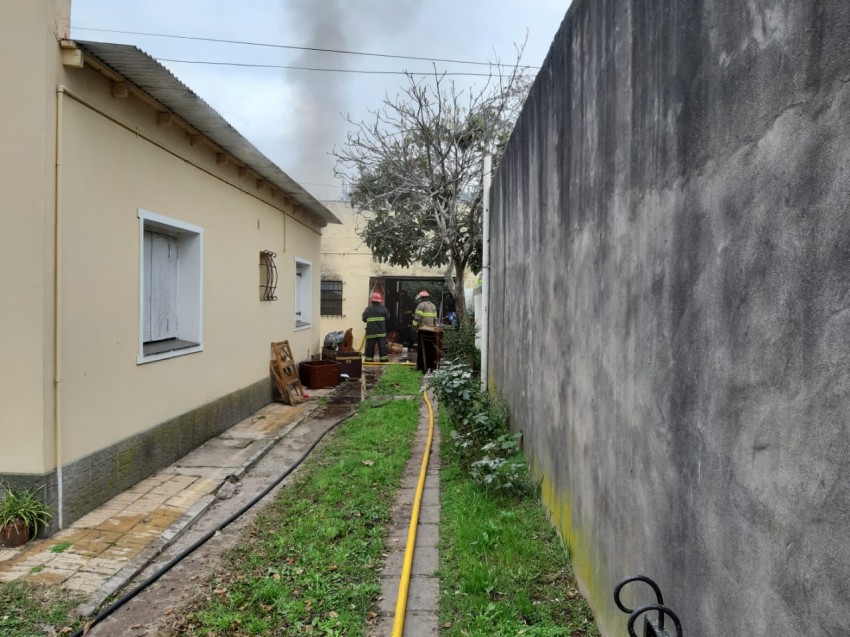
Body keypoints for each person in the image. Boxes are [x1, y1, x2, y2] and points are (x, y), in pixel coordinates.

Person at [412, 290, 440, 371]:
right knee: (430, 348)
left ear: (421, 298)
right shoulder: (433, 306)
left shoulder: (421, 305)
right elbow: (435, 319)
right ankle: (429, 366)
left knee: (421, 348)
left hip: (423, 330)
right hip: (431, 330)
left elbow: (417, 318)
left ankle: (420, 366)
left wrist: (414, 326)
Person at [362, 292, 391, 362]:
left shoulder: (368, 309)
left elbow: (364, 319)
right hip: (381, 332)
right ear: (379, 301)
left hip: (371, 332)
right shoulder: (384, 309)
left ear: (372, 300)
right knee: (382, 346)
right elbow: (388, 318)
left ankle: (369, 359)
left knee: (370, 347)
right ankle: (383, 359)